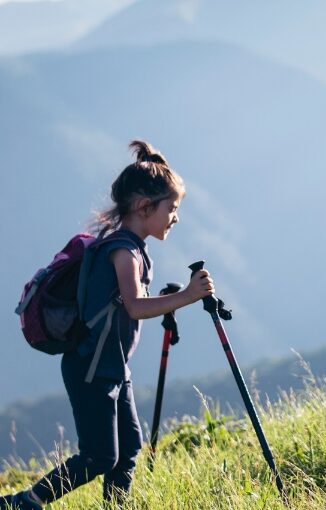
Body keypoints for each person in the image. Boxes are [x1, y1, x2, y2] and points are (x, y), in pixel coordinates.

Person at [1, 140, 214, 509]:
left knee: (128, 449)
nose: (175, 216)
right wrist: (187, 296)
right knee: (99, 455)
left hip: (111, 366)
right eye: (172, 208)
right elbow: (133, 306)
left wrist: (167, 303)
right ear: (144, 206)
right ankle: (25, 501)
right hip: (90, 367)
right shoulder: (123, 251)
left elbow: (124, 306)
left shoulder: (130, 246)